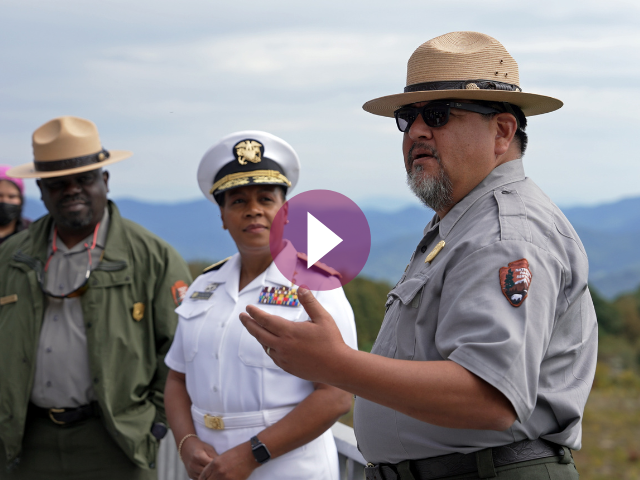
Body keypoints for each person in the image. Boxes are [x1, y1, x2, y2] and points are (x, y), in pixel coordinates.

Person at [240, 32, 597, 480]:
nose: (416, 131)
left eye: (439, 115)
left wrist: (335, 364)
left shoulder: (505, 234)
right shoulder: (462, 222)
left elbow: (489, 399)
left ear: (502, 132)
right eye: (407, 117)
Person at [0, 116, 192, 479]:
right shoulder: (10, 257)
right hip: (25, 443)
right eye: (58, 183)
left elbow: (182, 348)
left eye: (84, 179)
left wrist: (156, 424)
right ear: (41, 191)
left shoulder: (153, 257)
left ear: (104, 181)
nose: (72, 189)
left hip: (117, 442)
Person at [164, 131, 357, 480]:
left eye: (265, 199)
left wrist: (251, 456)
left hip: (289, 467)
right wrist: (186, 441)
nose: (253, 210)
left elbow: (338, 395)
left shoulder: (316, 284)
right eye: (237, 201)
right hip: (208, 470)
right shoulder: (202, 287)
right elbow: (177, 378)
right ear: (222, 216)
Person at [0, 165, 31, 245]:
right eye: (0, 195)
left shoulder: (32, 233)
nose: (4, 201)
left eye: (12, 196)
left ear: (21, 199)